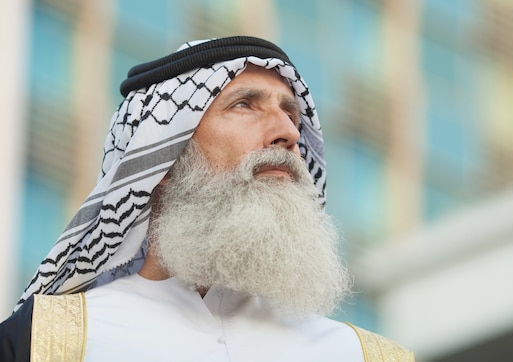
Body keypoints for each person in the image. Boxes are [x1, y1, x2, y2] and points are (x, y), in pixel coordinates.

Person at [0, 36, 414, 361]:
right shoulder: (47, 343)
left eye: (291, 113)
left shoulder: (362, 355)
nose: (287, 131)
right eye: (245, 105)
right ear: (162, 157)